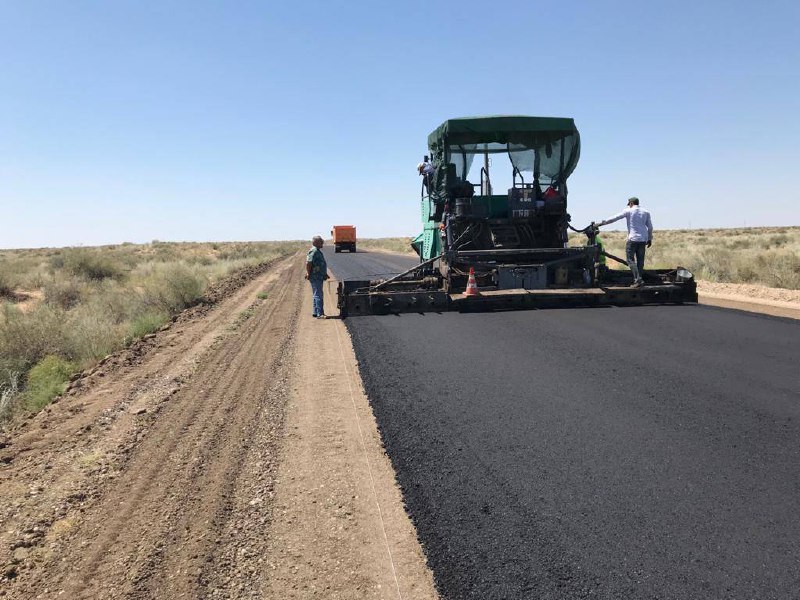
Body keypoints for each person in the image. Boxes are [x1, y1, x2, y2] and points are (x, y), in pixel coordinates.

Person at [593, 197, 653, 287]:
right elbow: (650, 227)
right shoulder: (646, 212)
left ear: (631, 203)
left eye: (629, 204)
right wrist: (649, 238)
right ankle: (639, 280)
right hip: (642, 240)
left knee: (630, 260)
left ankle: (638, 280)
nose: (629, 206)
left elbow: (614, 218)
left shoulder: (628, 211)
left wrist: (600, 224)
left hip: (632, 239)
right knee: (640, 261)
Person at [305, 235, 329, 318]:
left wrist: (324, 274)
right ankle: (320, 313)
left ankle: (315, 312)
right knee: (318, 294)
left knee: (316, 294)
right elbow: (309, 263)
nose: (322, 243)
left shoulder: (317, 251)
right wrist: (308, 273)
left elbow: (319, 264)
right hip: (315, 276)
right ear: (315, 242)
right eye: (321, 242)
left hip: (319, 275)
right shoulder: (314, 251)